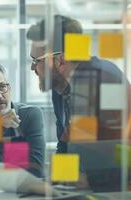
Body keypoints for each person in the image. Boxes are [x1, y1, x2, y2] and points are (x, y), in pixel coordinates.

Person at [26, 15, 130, 153]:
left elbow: (109, 154)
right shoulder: (60, 86)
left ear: (60, 61)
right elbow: (65, 145)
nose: (32, 68)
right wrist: (58, 174)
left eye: (36, 60)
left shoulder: (102, 81)